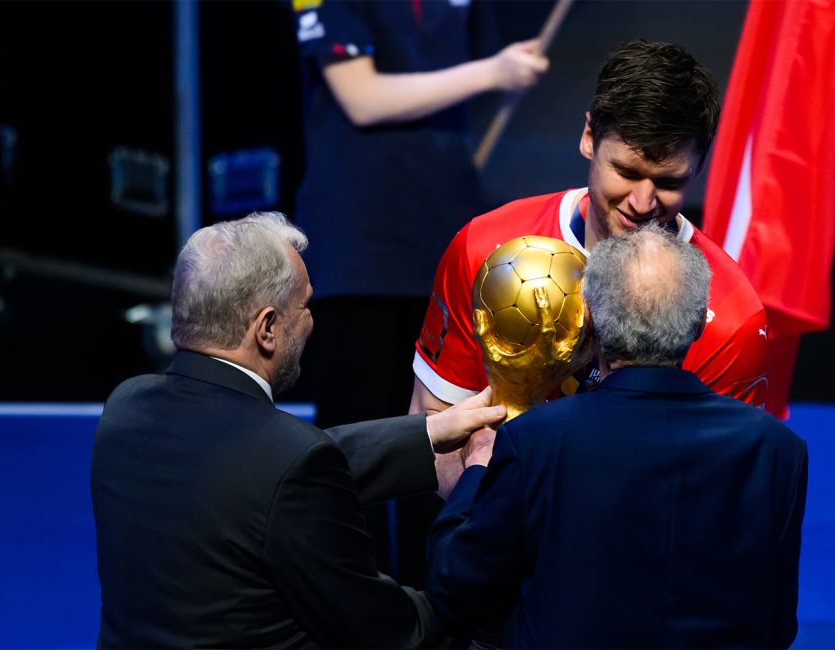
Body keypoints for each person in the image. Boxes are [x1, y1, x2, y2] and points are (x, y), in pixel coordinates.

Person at [90, 212, 505, 649]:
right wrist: (477, 476)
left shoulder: (124, 408)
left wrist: (426, 433)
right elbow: (399, 634)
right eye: (305, 305)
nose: (310, 322)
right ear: (267, 328)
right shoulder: (288, 464)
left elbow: (262, 471)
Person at [425, 225, 808, 649]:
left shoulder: (534, 441)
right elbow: (778, 627)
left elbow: (455, 591)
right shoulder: (779, 451)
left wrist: (477, 471)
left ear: (589, 322)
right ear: (699, 321)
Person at [284, 0, 549, 585]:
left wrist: (504, 77)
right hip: (362, 251)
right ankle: (358, 618)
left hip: (450, 241)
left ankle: (440, 612)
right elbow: (361, 96)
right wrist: (494, 72)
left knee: (450, 447)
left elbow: (474, 81)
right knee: (358, 455)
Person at [412, 41, 769, 439]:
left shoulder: (732, 318)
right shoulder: (482, 248)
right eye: (626, 172)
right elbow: (432, 426)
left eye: (669, 182)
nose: (642, 202)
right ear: (588, 138)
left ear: (699, 168)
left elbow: (721, 486)